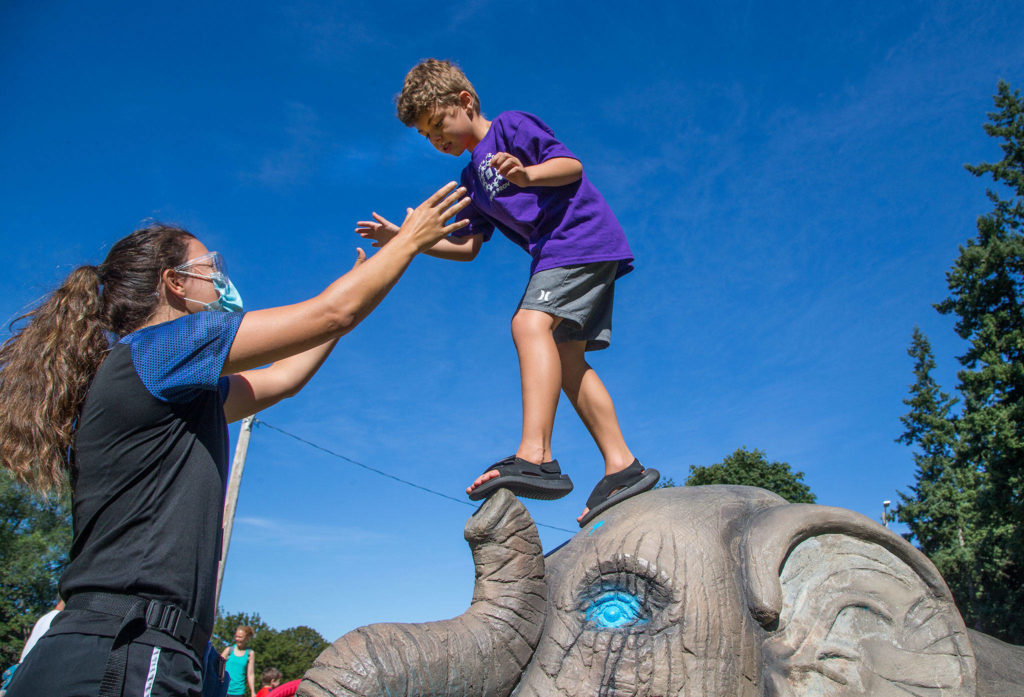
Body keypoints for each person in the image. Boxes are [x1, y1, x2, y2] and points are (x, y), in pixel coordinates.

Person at [0, 181, 469, 697]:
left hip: (124, 647)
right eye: (210, 268)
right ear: (173, 283)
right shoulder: (158, 347)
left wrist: (363, 282)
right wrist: (409, 241)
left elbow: (285, 377)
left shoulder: (173, 388)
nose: (222, 279)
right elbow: (331, 312)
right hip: (125, 651)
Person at [357, 59, 658, 526]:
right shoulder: (471, 181)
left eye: (439, 124)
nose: (438, 140)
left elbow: (571, 166)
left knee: (527, 323)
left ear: (465, 101)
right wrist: (405, 239)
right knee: (568, 361)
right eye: (427, 137)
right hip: (562, 255)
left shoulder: (511, 127)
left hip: (579, 239)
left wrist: (528, 176)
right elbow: (468, 247)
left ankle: (535, 455)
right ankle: (623, 466)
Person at [221, 626, 255, 697]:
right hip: (224, 689)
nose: (237, 639)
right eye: (236, 637)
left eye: (240, 637)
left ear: (247, 638)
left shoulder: (250, 653)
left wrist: (252, 691)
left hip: (239, 692)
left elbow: (250, 674)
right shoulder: (229, 650)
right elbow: (218, 666)